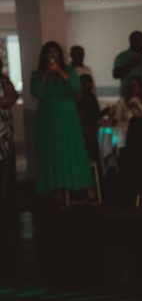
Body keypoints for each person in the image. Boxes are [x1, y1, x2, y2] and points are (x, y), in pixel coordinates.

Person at [30, 41, 92, 203]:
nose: (52, 55)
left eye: (55, 52)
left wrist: (60, 72)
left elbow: (76, 88)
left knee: (69, 148)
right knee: (51, 150)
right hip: (48, 117)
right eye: (49, 52)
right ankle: (53, 188)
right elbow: (37, 92)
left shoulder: (69, 71)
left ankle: (75, 185)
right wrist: (46, 75)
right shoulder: (37, 74)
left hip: (67, 116)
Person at [112, 30, 142, 97]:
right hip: (128, 97)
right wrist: (130, 64)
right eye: (139, 40)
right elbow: (115, 75)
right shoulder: (122, 57)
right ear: (131, 41)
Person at [0, 57, 18, 202]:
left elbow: (12, 98)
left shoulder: (4, 81)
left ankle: (4, 193)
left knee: (5, 159)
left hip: (3, 127)